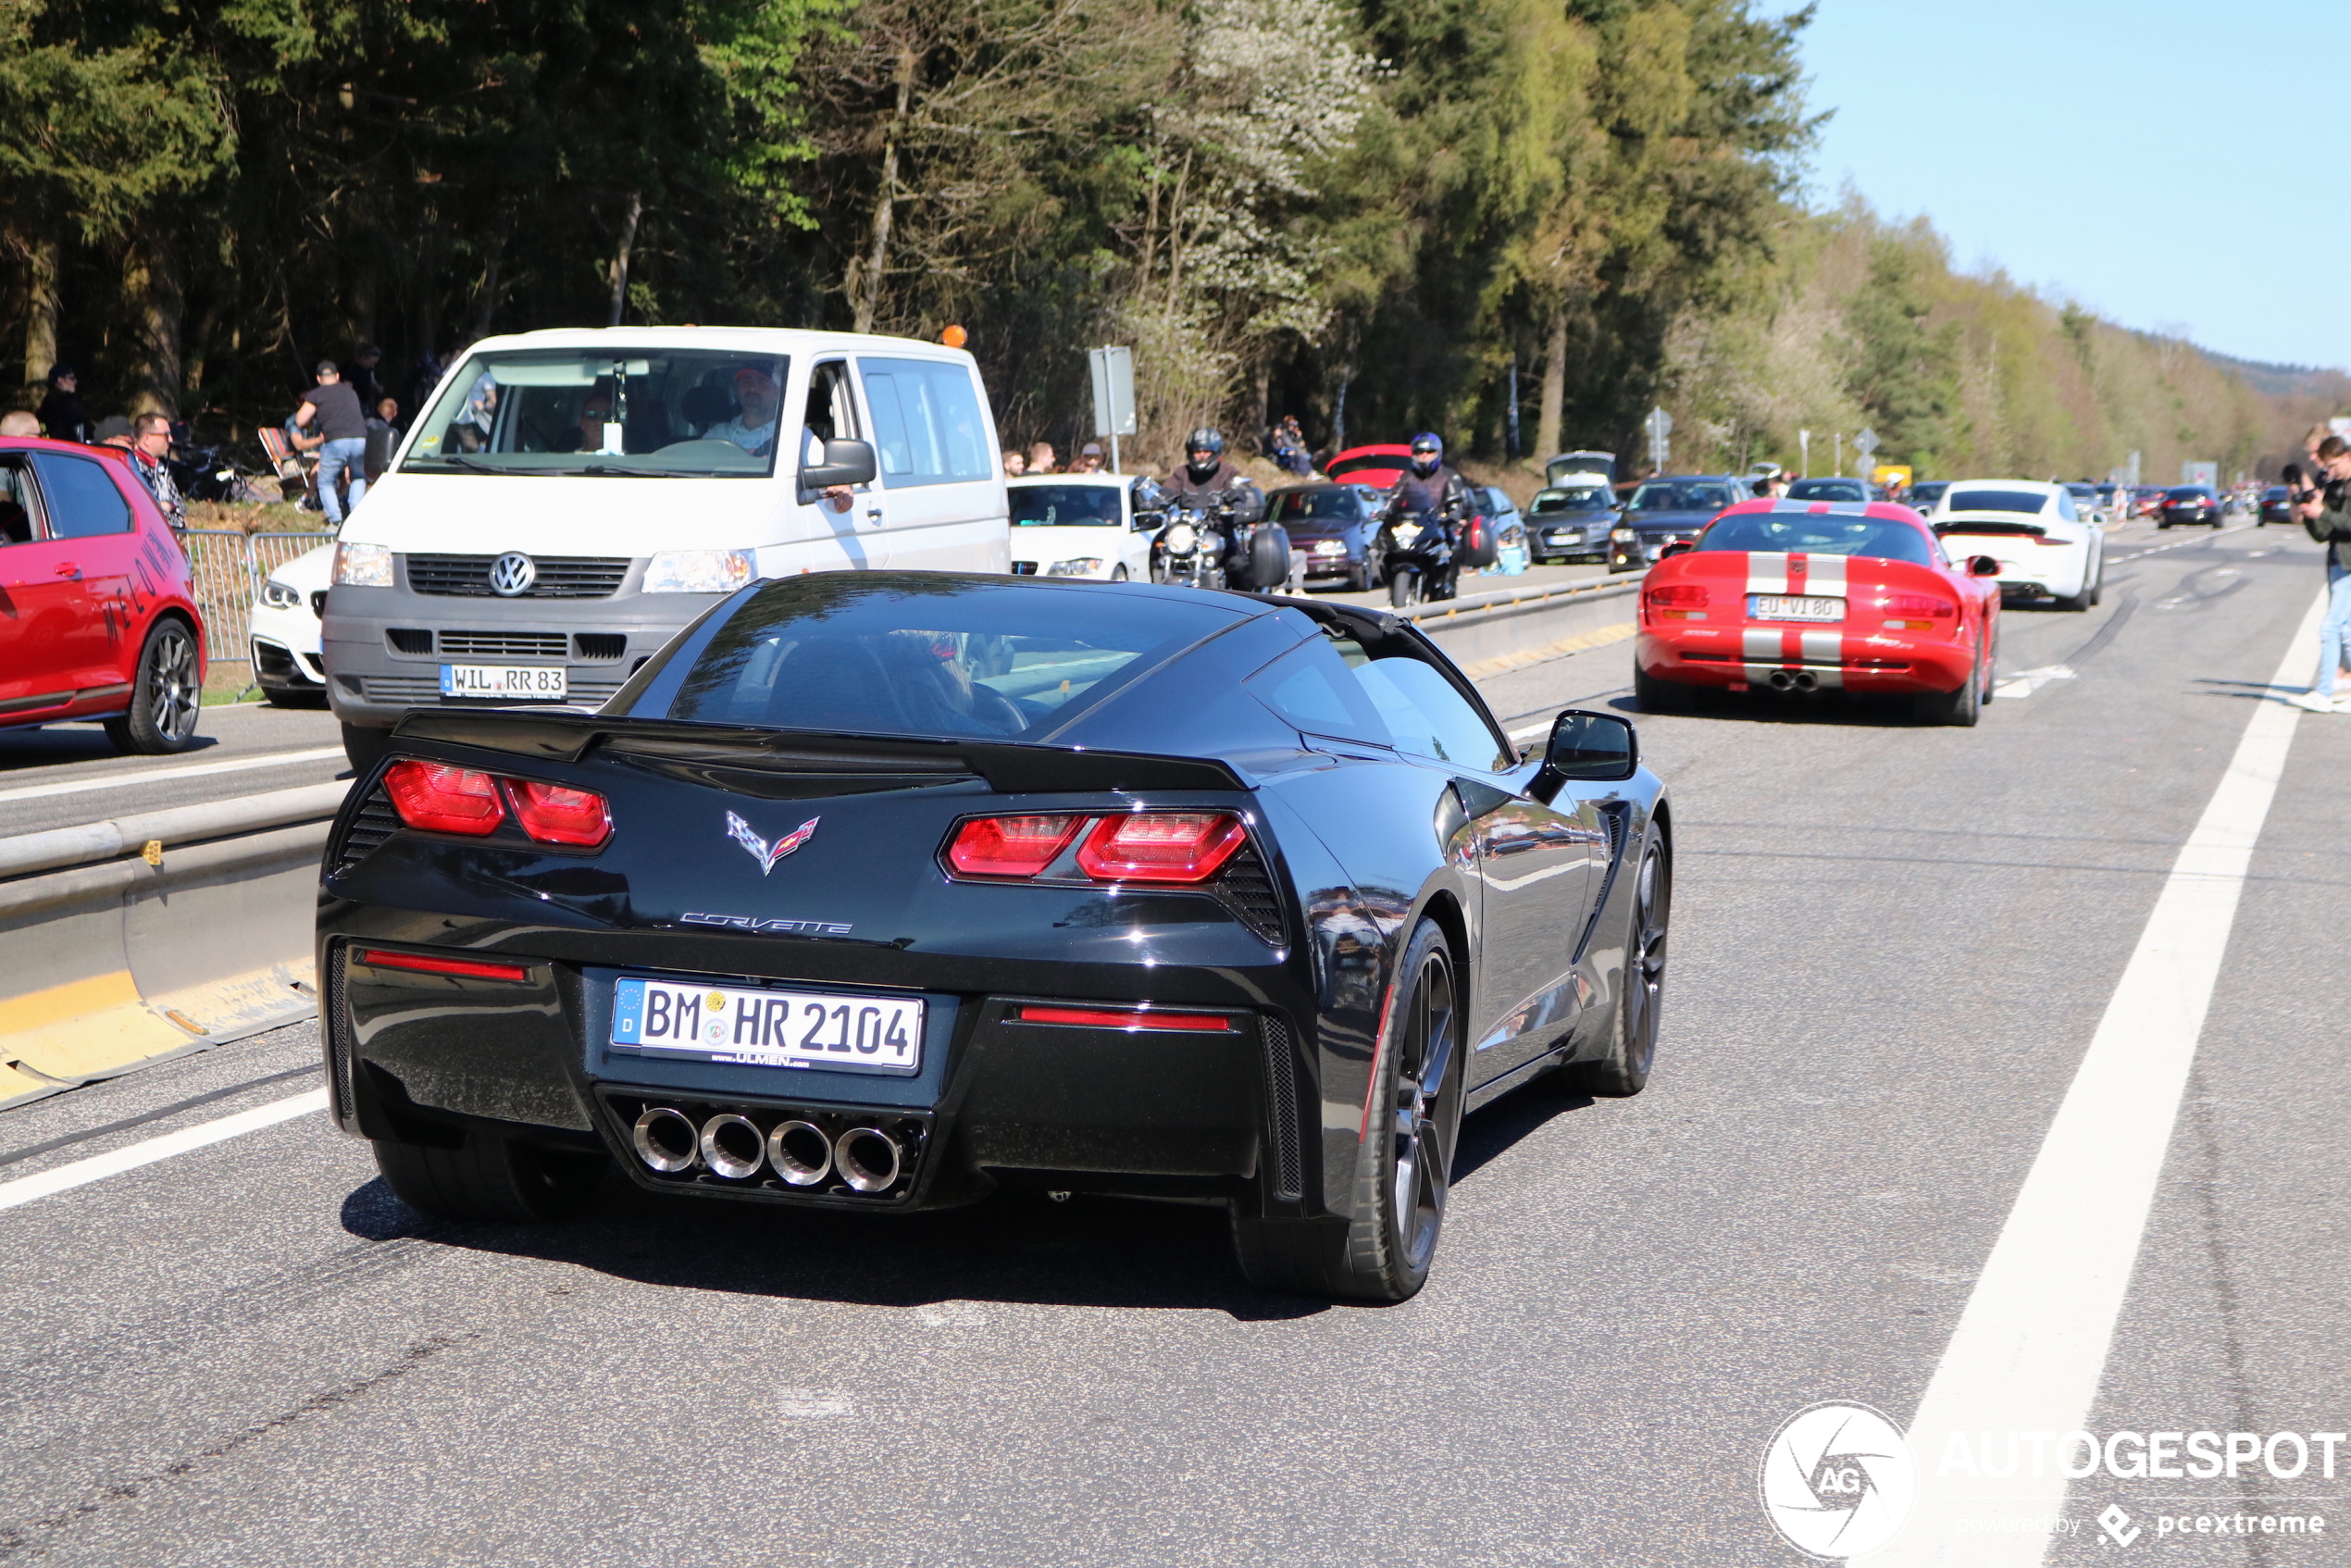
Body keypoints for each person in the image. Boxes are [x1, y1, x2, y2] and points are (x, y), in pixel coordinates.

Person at [2291, 436, 2351, 713]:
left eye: (2334, 465)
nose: (2330, 471)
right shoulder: (2337, 486)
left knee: (2330, 627)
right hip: (2340, 563)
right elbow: (2324, 533)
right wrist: (2310, 514)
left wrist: (2322, 513)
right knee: (2347, 632)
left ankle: (2325, 693)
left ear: (2348, 457)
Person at [1161, 426, 1266, 580]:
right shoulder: (1182, 473)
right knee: (1157, 554)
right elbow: (1167, 490)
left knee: (1237, 565)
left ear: (1216, 453)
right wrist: (1156, 500)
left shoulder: (1227, 472)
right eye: (1197, 451)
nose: (1202, 455)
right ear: (1191, 453)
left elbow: (1235, 487)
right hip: (1187, 533)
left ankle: (1245, 602)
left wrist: (1237, 501)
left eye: (1206, 451)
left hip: (1220, 531)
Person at [1384, 431, 1476, 597]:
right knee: (1386, 548)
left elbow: (1456, 501)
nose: (1424, 456)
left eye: (1429, 452)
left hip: (1438, 524)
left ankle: (1448, 584)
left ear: (1438, 453)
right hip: (1413, 525)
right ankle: (1393, 587)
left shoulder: (1449, 475)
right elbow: (1394, 498)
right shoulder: (1407, 477)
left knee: (1453, 547)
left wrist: (1453, 514)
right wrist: (1385, 512)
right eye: (1420, 452)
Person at [292, 359, 371, 524]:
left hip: (335, 440)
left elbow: (300, 420)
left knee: (326, 481)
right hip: (360, 439)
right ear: (337, 376)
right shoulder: (350, 392)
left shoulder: (317, 394)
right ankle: (356, 515)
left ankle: (335, 519)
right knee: (357, 476)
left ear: (319, 379)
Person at [704, 366, 780, 456]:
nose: (752, 389)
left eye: (762, 382)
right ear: (738, 389)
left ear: (777, 392)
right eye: (746, 382)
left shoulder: (790, 435)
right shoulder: (717, 436)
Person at [126, 412, 185, 529]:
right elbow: (144, 512)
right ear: (147, 439)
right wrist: (163, 507)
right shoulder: (131, 468)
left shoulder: (162, 469)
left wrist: (168, 506)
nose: (171, 439)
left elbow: (181, 509)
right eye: (166, 435)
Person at [37, 366, 90, 443]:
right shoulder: (56, 402)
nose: (75, 381)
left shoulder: (52, 401)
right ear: (61, 380)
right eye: (71, 378)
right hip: (67, 449)